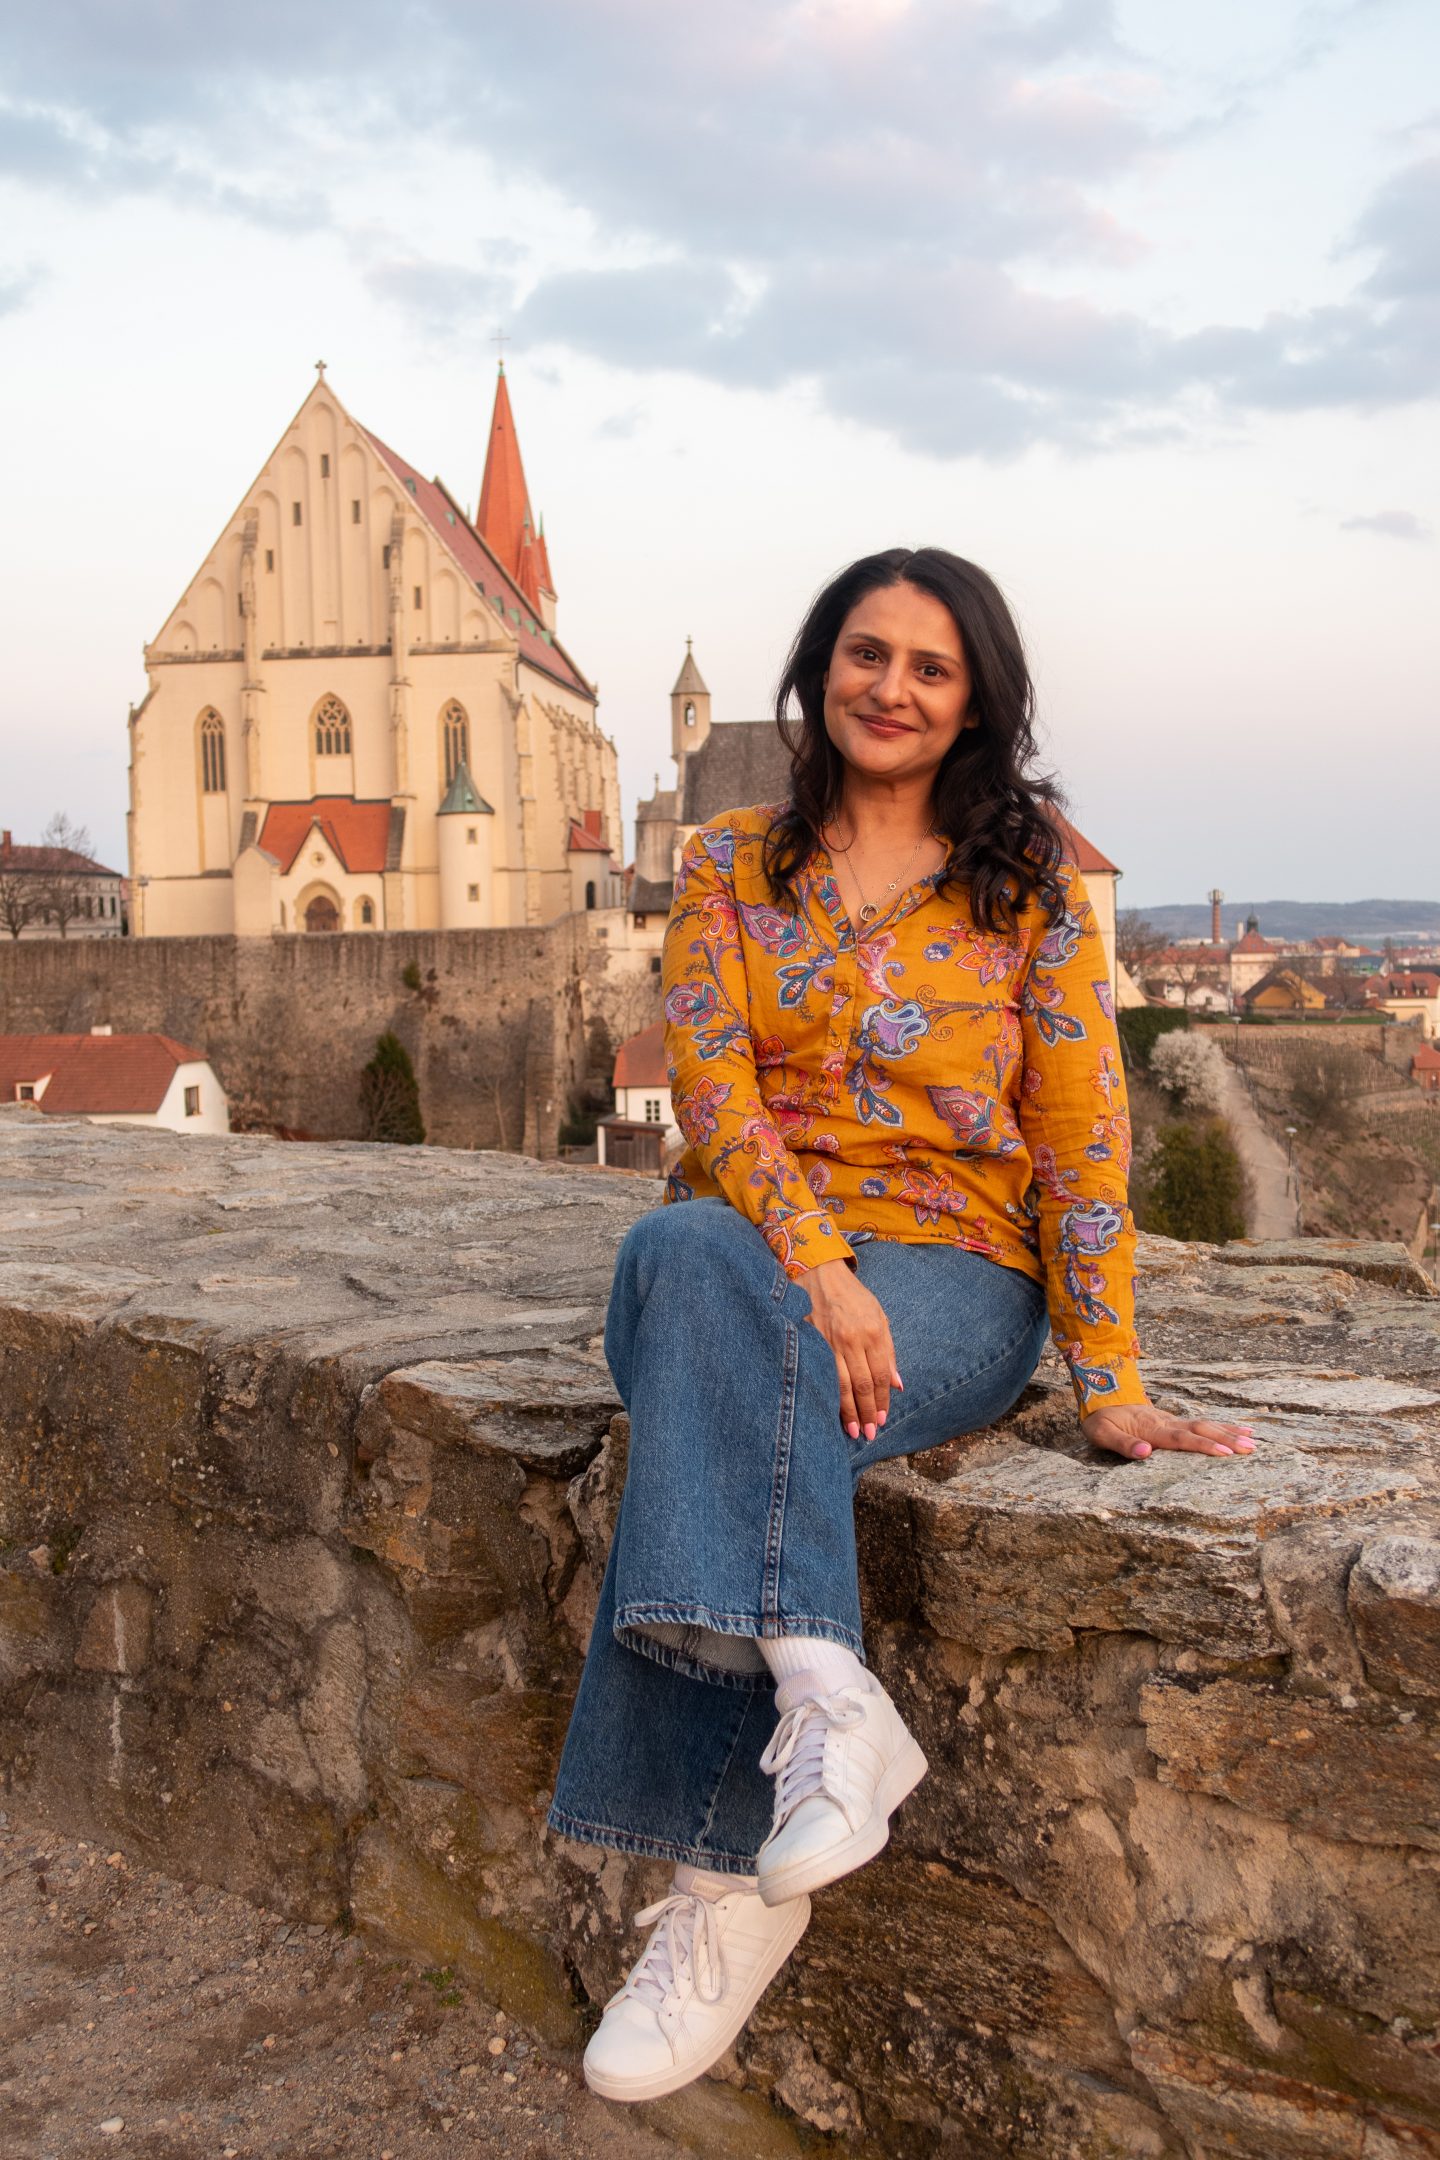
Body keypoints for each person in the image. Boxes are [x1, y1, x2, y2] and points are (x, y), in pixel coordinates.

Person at [547, 547, 1255, 2106]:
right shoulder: (732, 862)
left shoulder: (1030, 898)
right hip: (763, 1252)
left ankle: (727, 1900)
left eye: (931, 669)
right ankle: (826, 1697)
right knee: (685, 1254)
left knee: (714, 1373)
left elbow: (1083, 1145)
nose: (893, 688)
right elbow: (714, 1094)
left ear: (973, 702)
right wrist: (816, 1262)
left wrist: (1111, 1382)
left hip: (955, 1274)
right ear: (821, 668)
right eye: (868, 655)